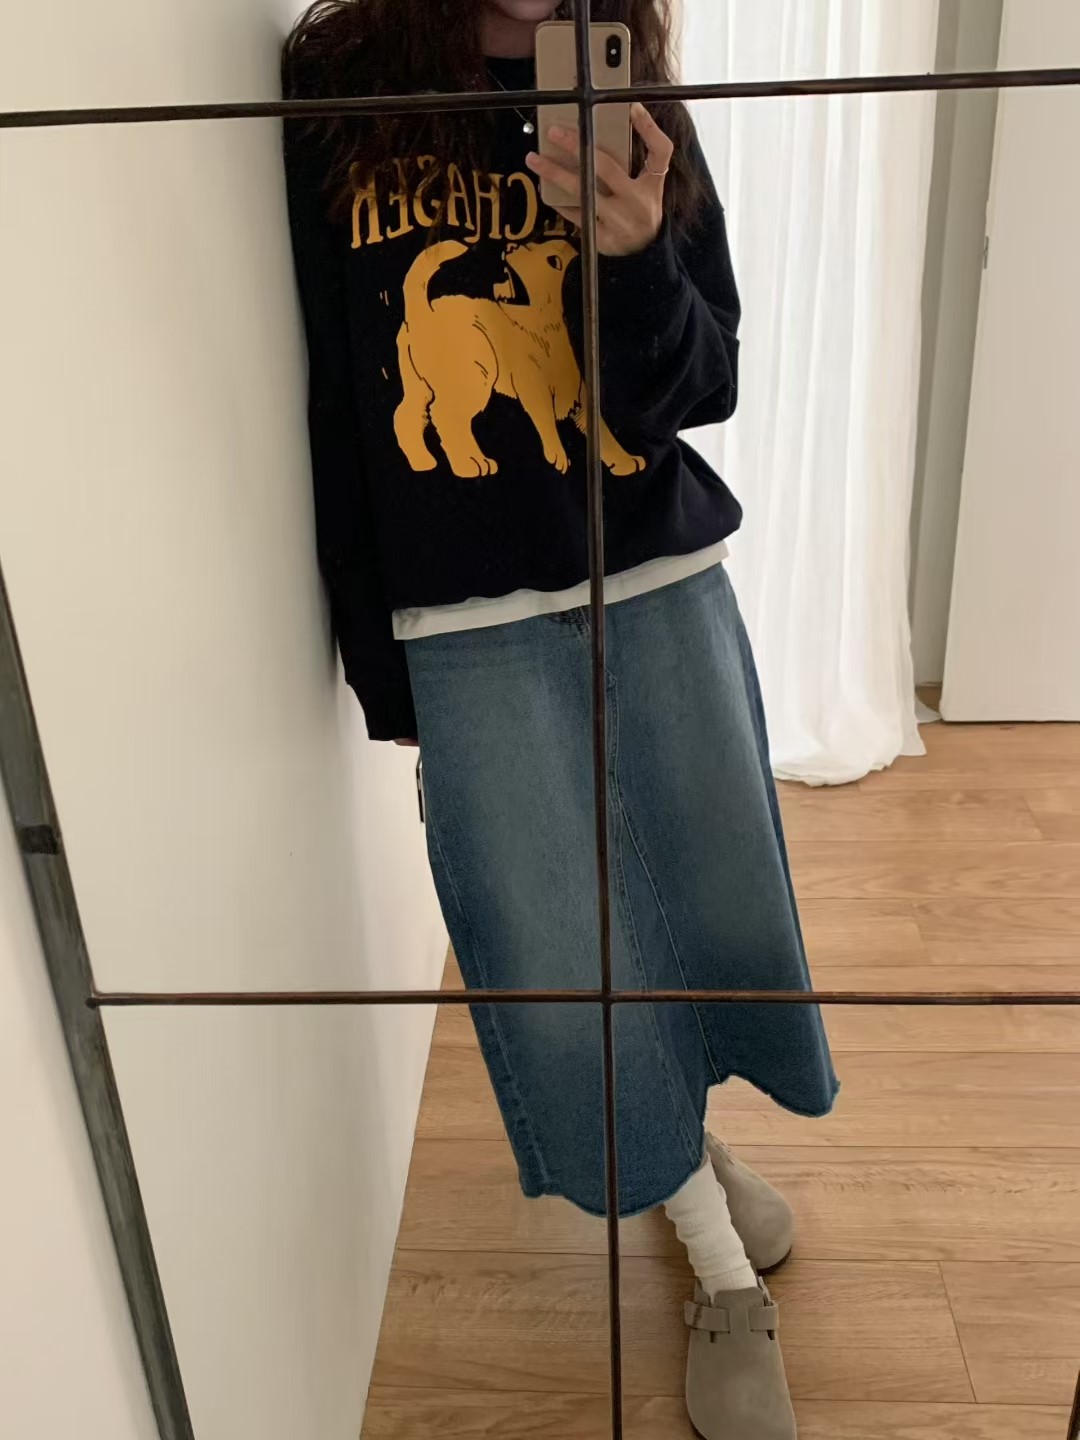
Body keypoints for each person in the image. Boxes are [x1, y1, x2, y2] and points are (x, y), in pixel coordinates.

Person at [283, 3, 837, 1435]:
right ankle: (718, 1264)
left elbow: (701, 383)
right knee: (560, 953)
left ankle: (689, 1162)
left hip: (656, 580)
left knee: (704, 909)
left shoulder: (624, 78)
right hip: (464, 619)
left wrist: (637, 253)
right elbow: (342, 392)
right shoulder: (339, 79)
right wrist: (381, 660)